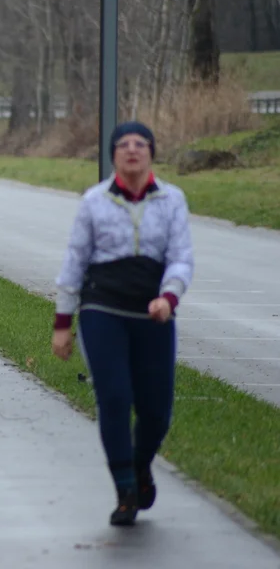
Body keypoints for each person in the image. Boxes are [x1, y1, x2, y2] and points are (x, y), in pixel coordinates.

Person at [52, 121, 193, 527]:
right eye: (124, 145)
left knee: (156, 412)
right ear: (113, 155)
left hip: (153, 313)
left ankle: (141, 463)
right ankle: (125, 490)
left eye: (141, 144)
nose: (132, 150)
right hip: (103, 310)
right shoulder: (94, 201)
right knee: (114, 397)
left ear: (151, 153)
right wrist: (63, 322)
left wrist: (168, 297)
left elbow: (181, 257)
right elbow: (74, 262)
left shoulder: (172, 200)